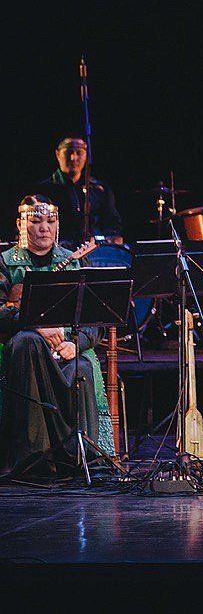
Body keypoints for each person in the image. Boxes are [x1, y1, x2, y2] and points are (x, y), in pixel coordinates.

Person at [0, 196, 114, 481]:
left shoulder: (74, 262)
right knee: (28, 342)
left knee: (81, 368)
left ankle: (77, 458)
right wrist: (35, 325)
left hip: (67, 349)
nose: (44, 228)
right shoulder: (5, 263)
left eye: (50, 221)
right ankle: (34, 457)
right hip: (22, 353)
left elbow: (96, 319)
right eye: (36, 221)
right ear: (21, 224)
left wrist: (76, 343)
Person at [35, 137, 123, 247]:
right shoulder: (43, 190)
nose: (73, 158)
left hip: (96, 251)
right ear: (58, 154)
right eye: (69, 152)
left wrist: (107, 239)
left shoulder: (100, 189)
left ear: (86, 155)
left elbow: (112, 223)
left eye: (79, 152)